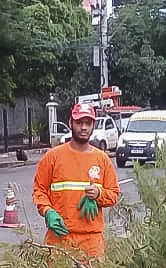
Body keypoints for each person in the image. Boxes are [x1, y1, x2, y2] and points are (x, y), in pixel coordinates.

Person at [32, 103, 120, 259]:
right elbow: (40, 190)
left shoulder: (102, 160)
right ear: (71, 122)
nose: (84, 127)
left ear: (93, 125)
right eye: (79, 122)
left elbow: (113, 194)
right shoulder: (52, 157)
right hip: (60, 238)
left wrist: (98, 194)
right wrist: (48, 211)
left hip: (92, 241)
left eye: (88, 123)